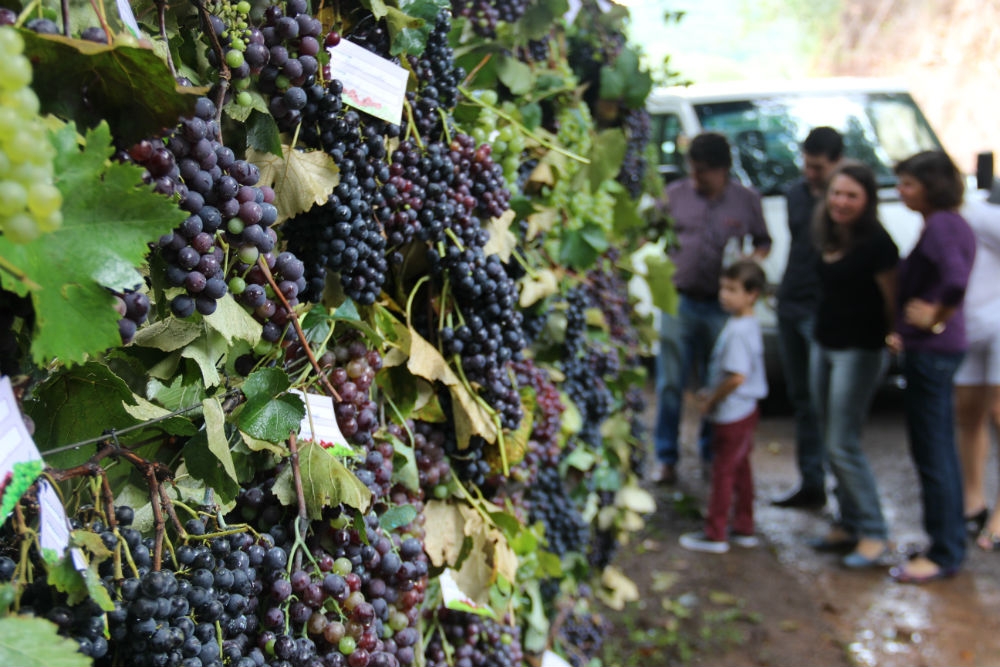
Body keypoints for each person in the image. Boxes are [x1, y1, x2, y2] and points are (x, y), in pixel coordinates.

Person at [652, 132, 771, 485]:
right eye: (693, 169)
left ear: (723, 170)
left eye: (704, 171)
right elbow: (650, 231)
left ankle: (709, 455)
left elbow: (764, 240)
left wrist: (753, 260)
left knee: (714, 383)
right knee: (670, 382)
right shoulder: (675, 195)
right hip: (679, 300)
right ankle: (666, 458)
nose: (697, 177)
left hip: (721, 308)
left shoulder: (746, 200)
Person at [886, 150, 976, 583]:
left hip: (933, 353)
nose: (901, 193)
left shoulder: (941, 225)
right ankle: (947, 542)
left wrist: (935, 316)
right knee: (939, 449)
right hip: (934, 348)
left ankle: (944, 553)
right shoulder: (948, 223)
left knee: (934, 450)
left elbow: (956, 278)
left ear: (932, 187)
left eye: (908, 185)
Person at [806, 161, 898, 569]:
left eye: (851, 196)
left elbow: (892, 299)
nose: (841, 202)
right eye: (836, 194)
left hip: (859, 351)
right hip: (825, 344)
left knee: (844, 442)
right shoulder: (827, 233)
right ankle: (847, 521)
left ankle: (874, 532)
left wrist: (895, 338)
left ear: (867, 201)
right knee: (829, 439)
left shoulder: (878, 244)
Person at [772, 126, 844, 510]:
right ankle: (811, 483)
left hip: (822, 310)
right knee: (802, 400)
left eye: (818, 167)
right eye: (807, 165)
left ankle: (843, 492)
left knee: (827, 404)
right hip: (791, 303)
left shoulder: (845, 199)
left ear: (837, 163)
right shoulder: (795, 193)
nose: (810, 173)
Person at [679, 259, 769, 553]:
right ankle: (744, 526)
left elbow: (737, 377)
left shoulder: (739, 332)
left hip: (732, 413)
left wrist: (711, 399)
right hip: (747, 410)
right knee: (741, 469)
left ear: (752, 294)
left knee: (723, 472)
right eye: (722, 287)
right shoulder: (748, 323)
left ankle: (716, 532)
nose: (724, 295)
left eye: (732, 289)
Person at [953, 183, 1000, 551]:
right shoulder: (970, 209)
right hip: (969, 331)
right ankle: (973, 502)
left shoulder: (982, 216)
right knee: (968, 415)